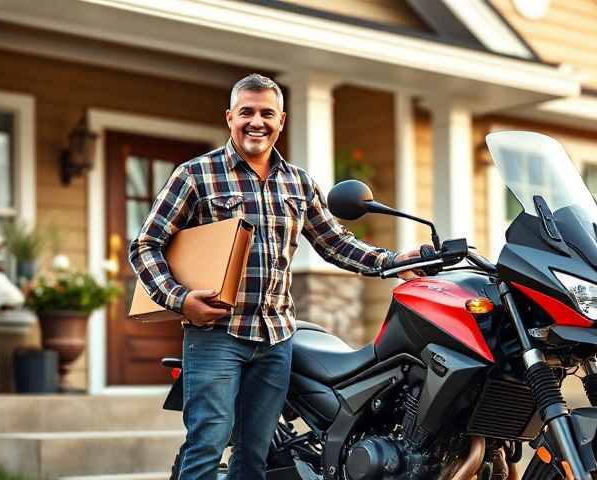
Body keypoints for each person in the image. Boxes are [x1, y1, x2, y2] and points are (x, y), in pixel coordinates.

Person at [129, 73, 422, 480]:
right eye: (246, 112)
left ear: (281, 121)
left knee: (253, 455)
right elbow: (145, 245)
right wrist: (180, 300)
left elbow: (335, 243)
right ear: (229, 117)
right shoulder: (195, 175)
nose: (256, 122)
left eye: (267, 113)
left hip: (276, 340)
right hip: (217, 336)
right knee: (207, 446)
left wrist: (392, 261)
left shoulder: (298, 183)